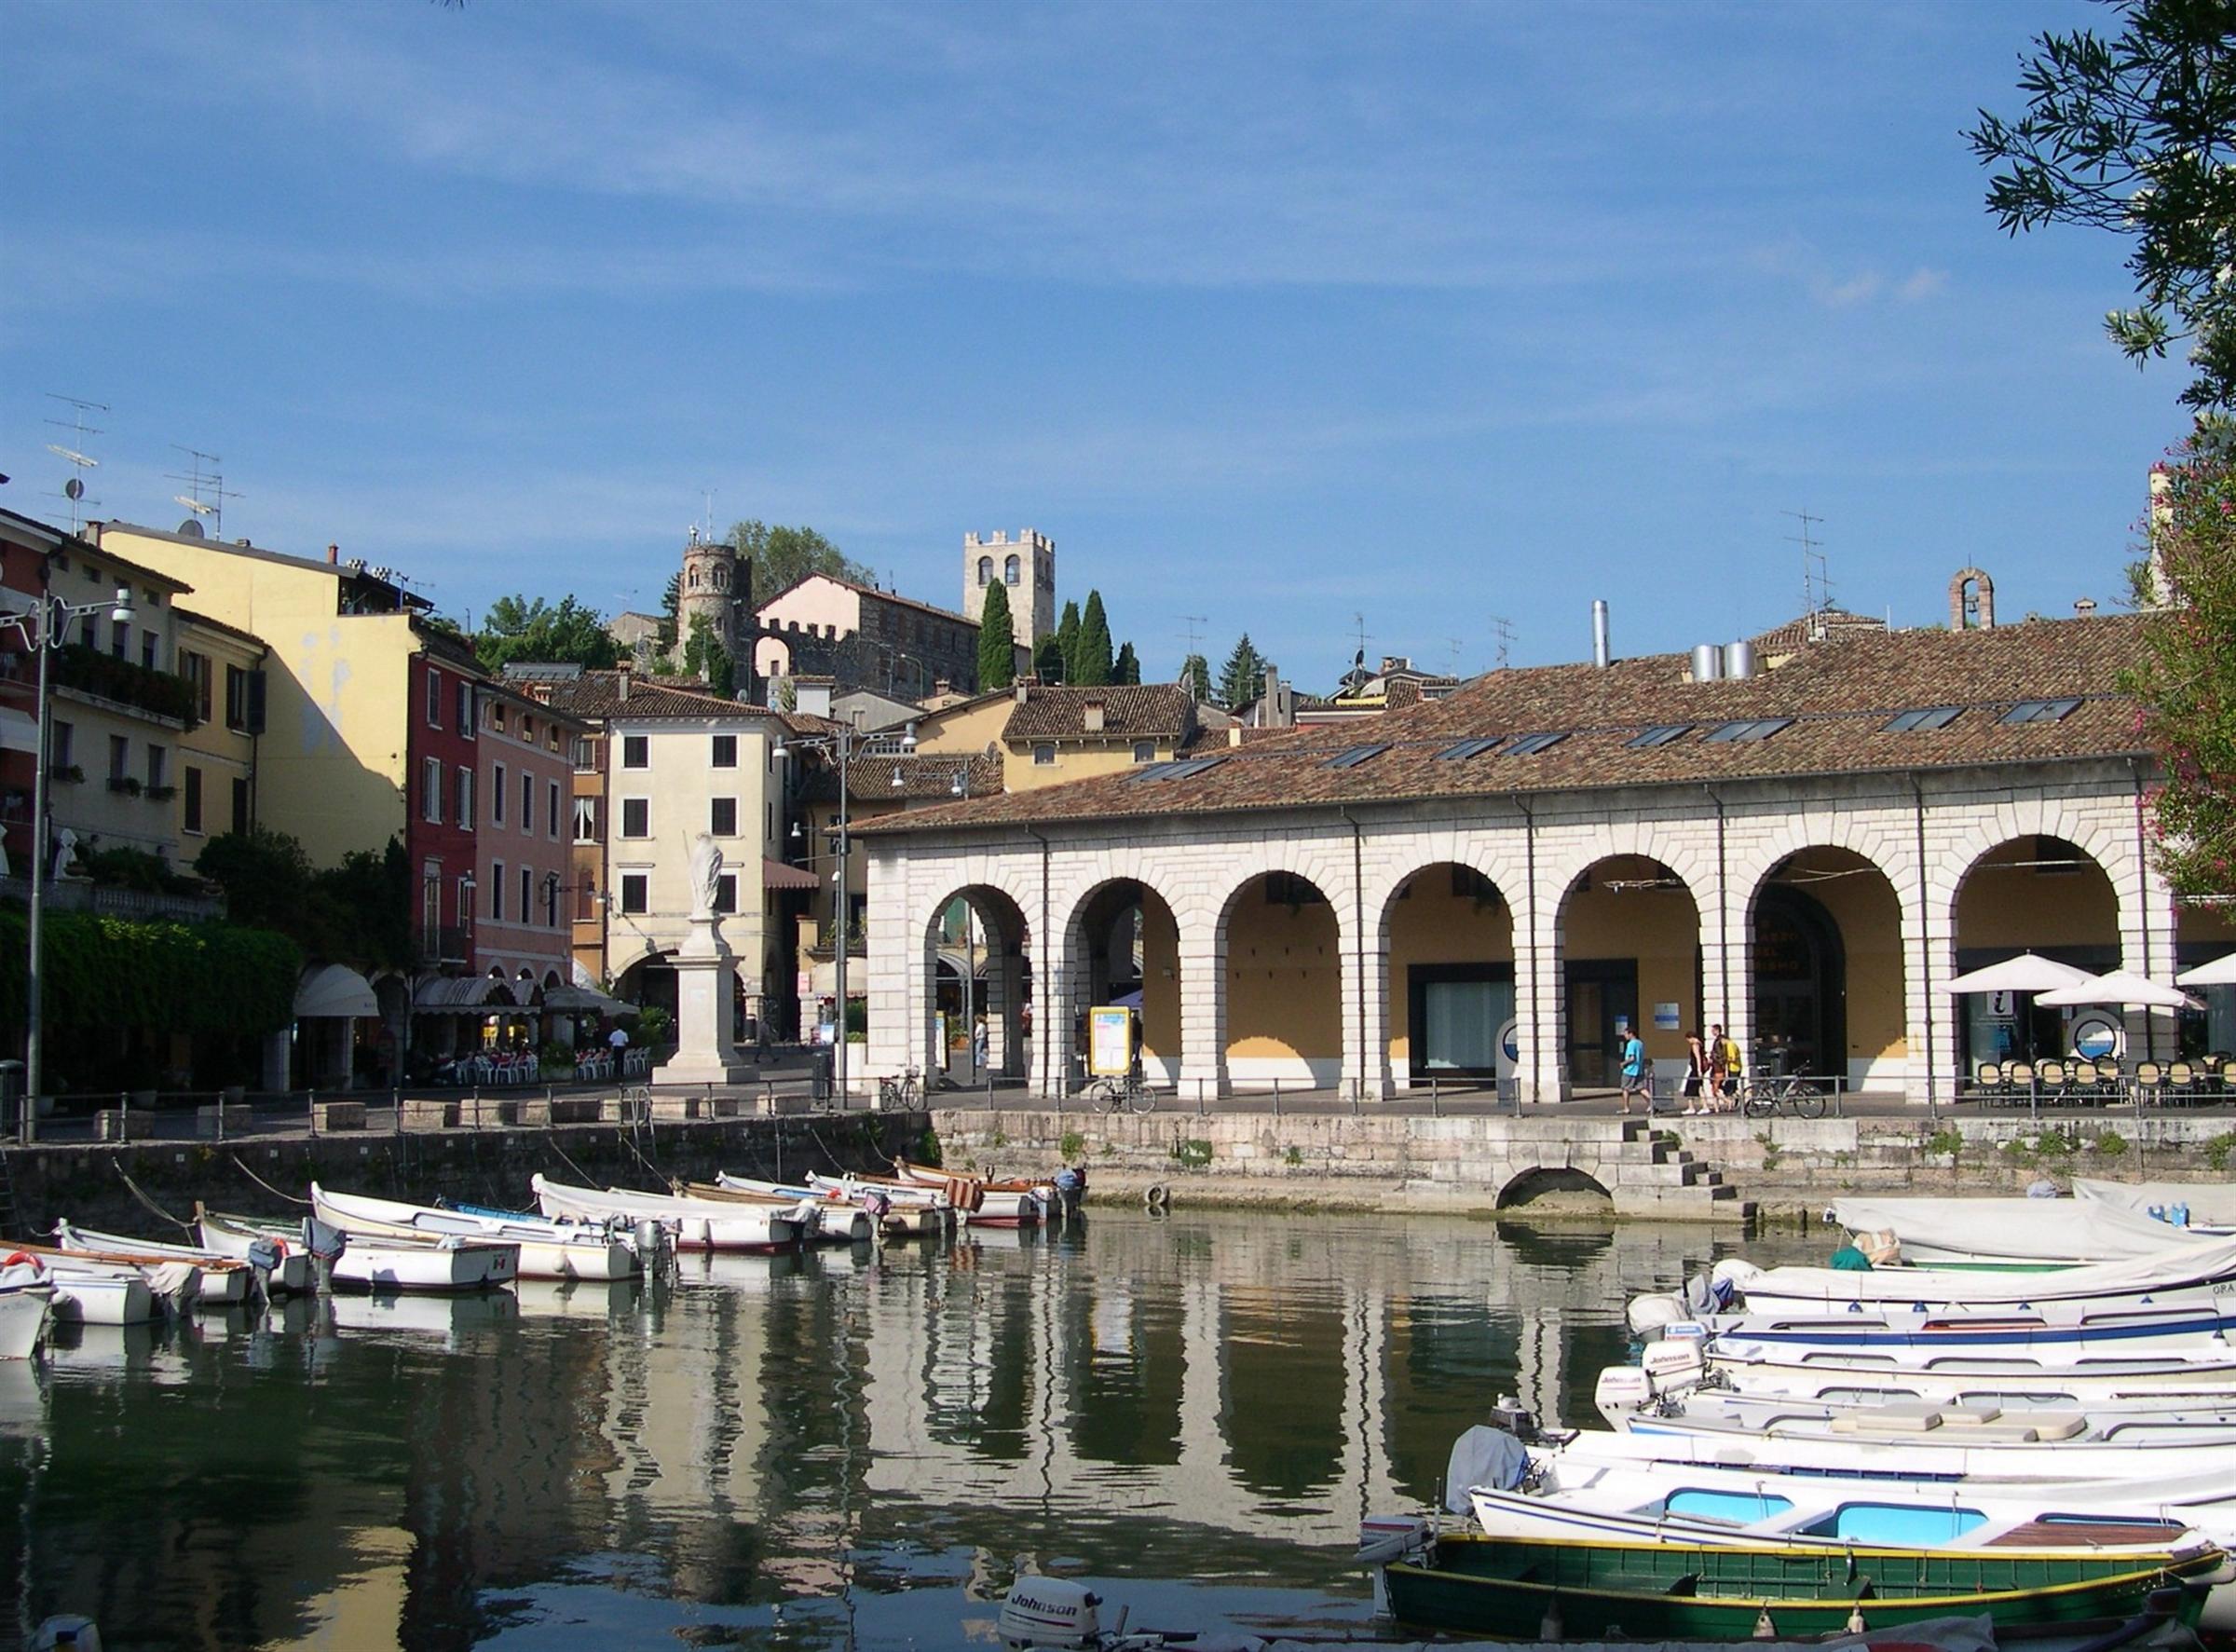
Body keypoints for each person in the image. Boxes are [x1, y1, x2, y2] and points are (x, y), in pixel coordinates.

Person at [1709, 1023, 1742, 1110]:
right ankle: (1730, 1102)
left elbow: (1731, 1058)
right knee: (1729, 1086)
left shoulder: (1726, 1043)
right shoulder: (1723, 1042)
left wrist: (1719, 1059)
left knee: (1729, 1086)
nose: (1711, 1032)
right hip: (1728, 1067)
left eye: (1713, 1030)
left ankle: (1733, 1100)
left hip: (1730, 1068)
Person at [1618, 1022, 1650, 1114]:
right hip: (1639, 1069)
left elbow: (1632, 1058)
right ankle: (1652, 1104)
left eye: (1625, 1034)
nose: (1625, 1036)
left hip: (1630, 1070)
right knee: (1642, 1088)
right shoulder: (1640, 1043)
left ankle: (1626, 1108)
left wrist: (1623, 1063)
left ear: (1631, 1034)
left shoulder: (1631, 1044)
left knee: (1625, 1088)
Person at [1680, 1030, 1708, 1113]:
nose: (1688, 1042)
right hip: (1698, 1069)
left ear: (1690, 1038)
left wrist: (1699, 1069)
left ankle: (1691, 1108)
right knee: (1700, 1088)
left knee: (1689, 1088)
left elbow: (1697, 1057)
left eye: (1688, 1040)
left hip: (1695, 1069)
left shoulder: (1695, 1045)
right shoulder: (1700, 1044)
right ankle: (1705, 1106)